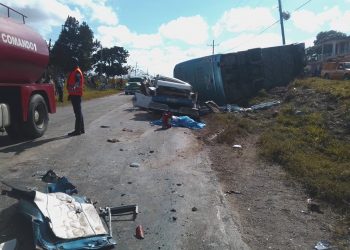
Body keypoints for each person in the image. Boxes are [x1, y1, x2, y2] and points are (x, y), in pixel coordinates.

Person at [67, 57, 85, 136]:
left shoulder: (77, 71)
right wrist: (70, 94)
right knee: (78, 112)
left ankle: (77, 131)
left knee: (77, 113)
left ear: (75, 63)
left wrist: (74, 87)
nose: (70, 64)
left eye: (72, 63)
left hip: (76, 94)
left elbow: (78, 80)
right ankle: (81, 129)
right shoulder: (74, 71)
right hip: (74, 94)